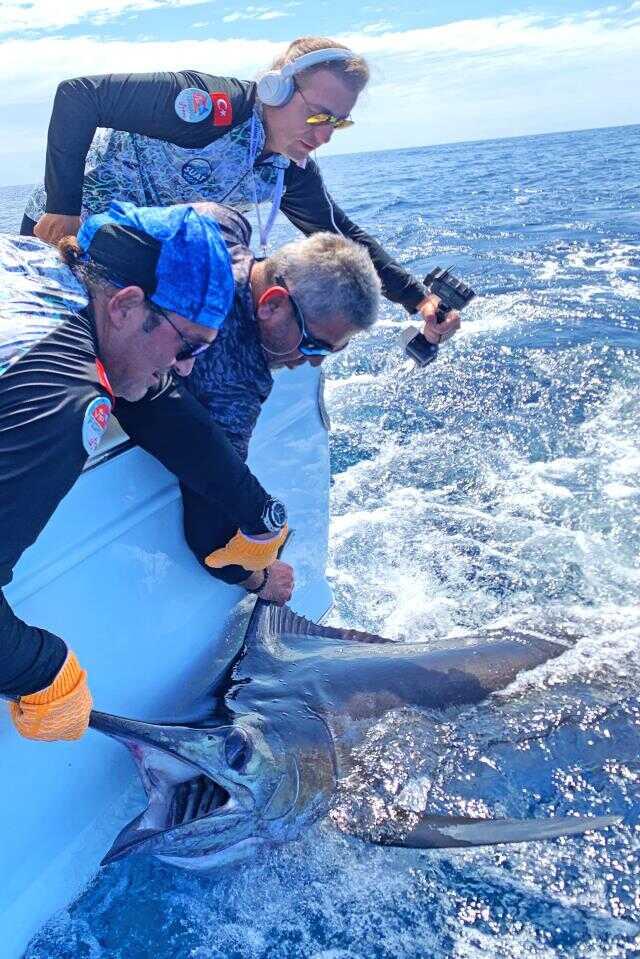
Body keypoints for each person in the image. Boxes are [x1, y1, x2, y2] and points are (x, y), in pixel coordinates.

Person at [0, 201, 288, 743]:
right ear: (127, 305)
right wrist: (38, 671)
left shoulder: (43, 266)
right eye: (187, 347)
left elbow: (158, 401)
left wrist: (255, 512)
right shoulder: (63, 404)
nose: (186, 369)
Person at [21, 36, 461, 351]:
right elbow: (79, 97)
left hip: (128, 254)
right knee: (47, 345)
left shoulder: (289, 167)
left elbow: (340, 234)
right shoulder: (206, 107)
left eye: (337, 122)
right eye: (316, 116)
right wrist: (62, 206)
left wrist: (417, 298)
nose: (324, 136)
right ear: (277, 88)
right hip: (61, 232)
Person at [181, 201, 381, 597]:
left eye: (331, 352)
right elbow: (209, 532)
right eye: (313, 344)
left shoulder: (219, 221)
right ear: (272, 303)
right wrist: (261, 579)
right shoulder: (236, 384)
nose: (312, 360)